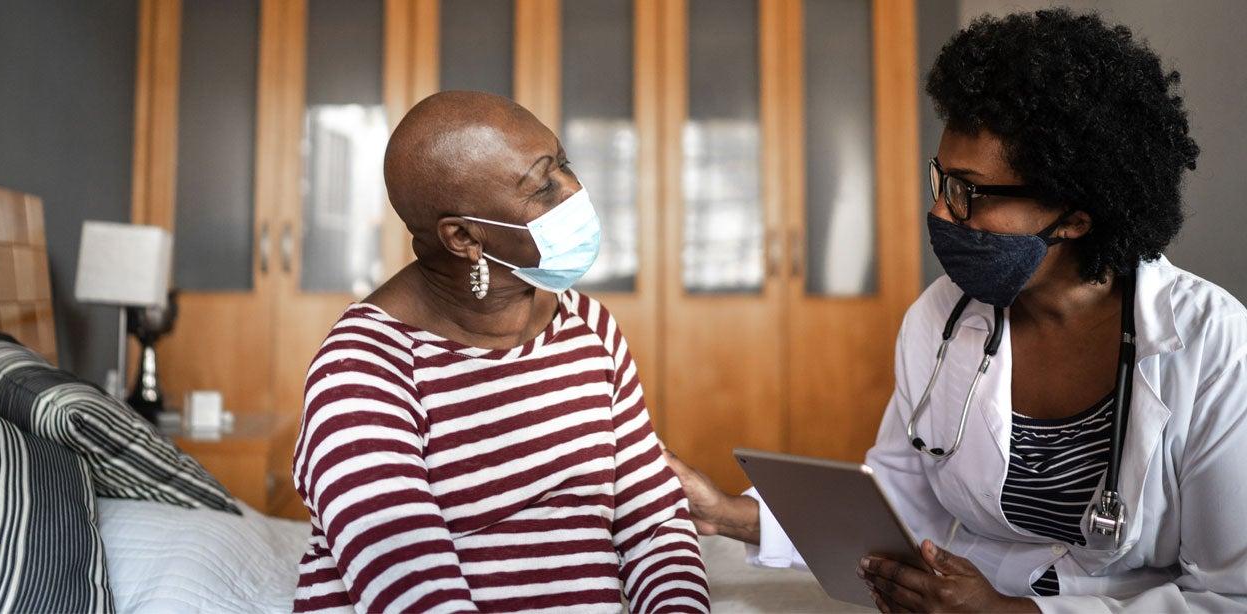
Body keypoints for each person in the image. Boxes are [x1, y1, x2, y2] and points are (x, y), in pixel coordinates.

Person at [665, 8, 1246, 613]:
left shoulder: (1213, 346)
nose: (942, 213)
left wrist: (1009, 613)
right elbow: (897, 503)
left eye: (969, 193)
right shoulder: (940, 318)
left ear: (1076, 215)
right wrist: (729, 515)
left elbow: (1231, 594)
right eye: (941, 181)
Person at [291, 91, 710, 613]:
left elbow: (654, 526)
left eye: (564, 164)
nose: (575, 191)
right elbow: (411, 588)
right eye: (543, 186)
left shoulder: (591, 329)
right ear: (465, 236)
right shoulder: (362, 367)